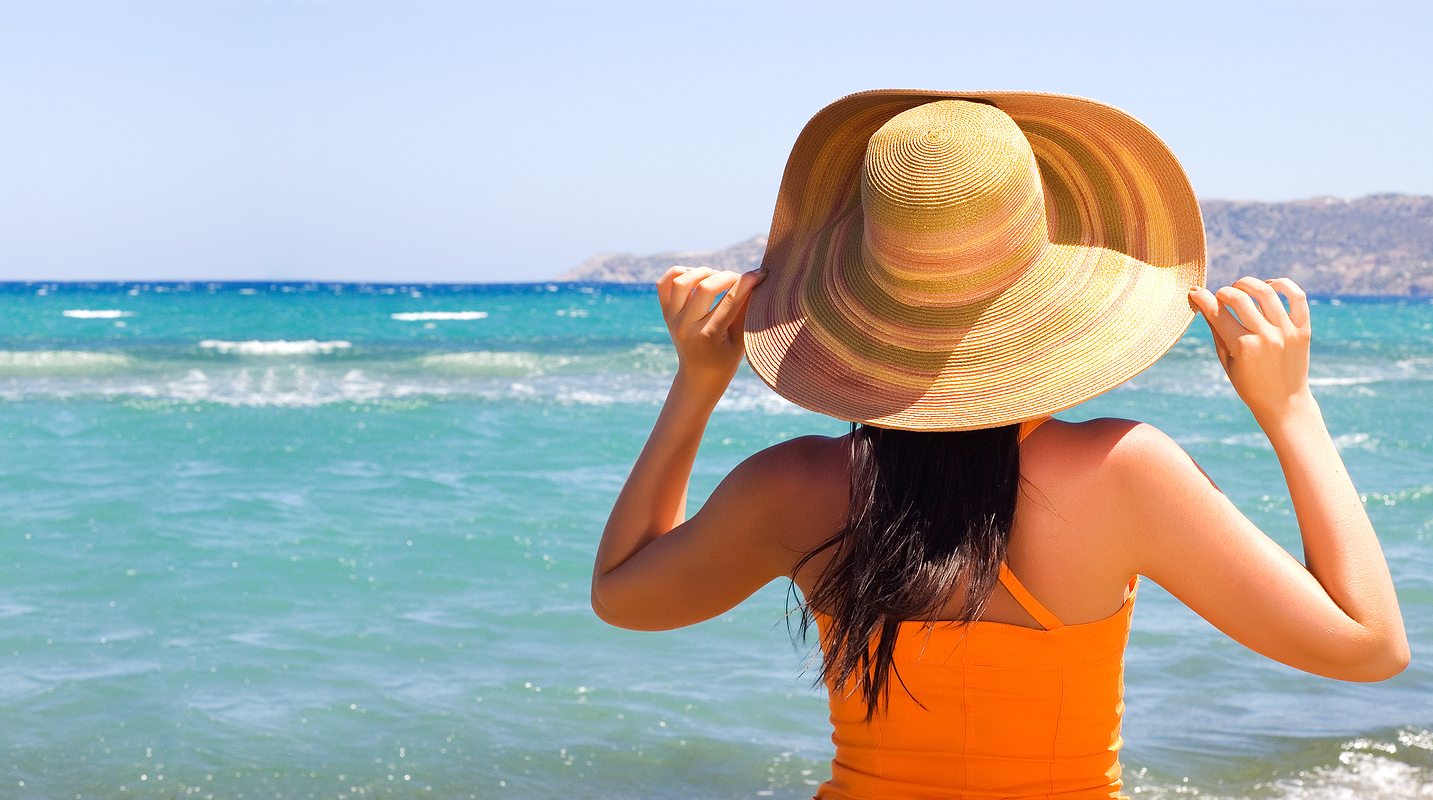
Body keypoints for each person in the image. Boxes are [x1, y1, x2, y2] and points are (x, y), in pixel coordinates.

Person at [590, 91, 1409, 799]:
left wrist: (697, 382)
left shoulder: (791, 486)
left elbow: (623, 595)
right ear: (1046, 287)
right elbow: (1370, 647)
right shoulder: (1124, 473)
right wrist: (1291, 408)